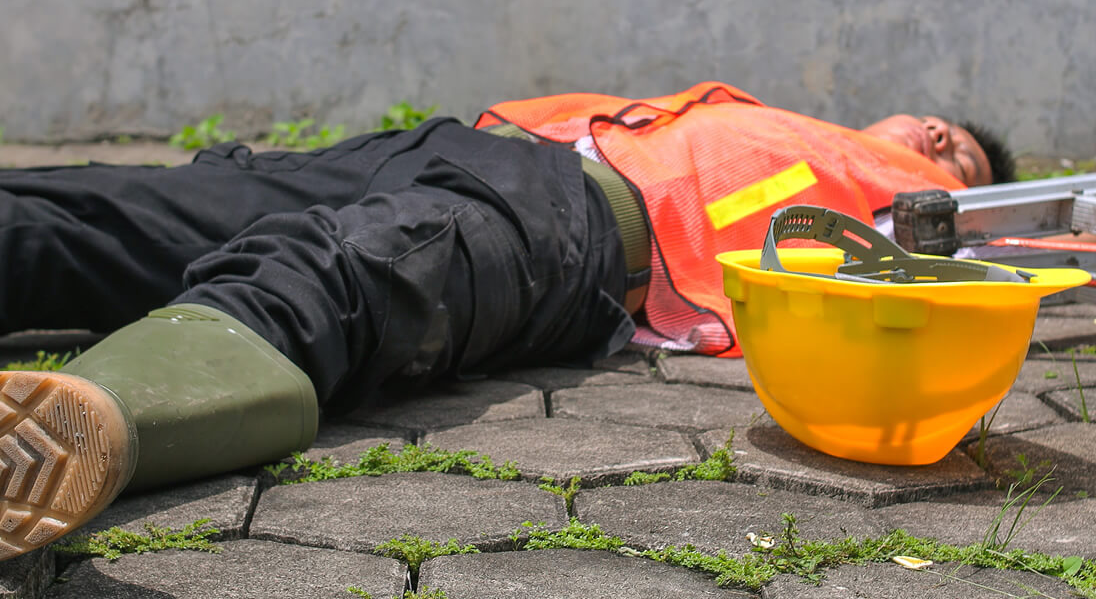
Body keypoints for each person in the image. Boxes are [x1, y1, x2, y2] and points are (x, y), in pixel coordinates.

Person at [0, 81, 1012, 559]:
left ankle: (101, 417)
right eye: (939, 122)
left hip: (572, 223)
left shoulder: (902, 211)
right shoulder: (763, 114)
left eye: (956, 152)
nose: (936, 136)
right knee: (117, 210)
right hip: (461, 145)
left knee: (354, 269)